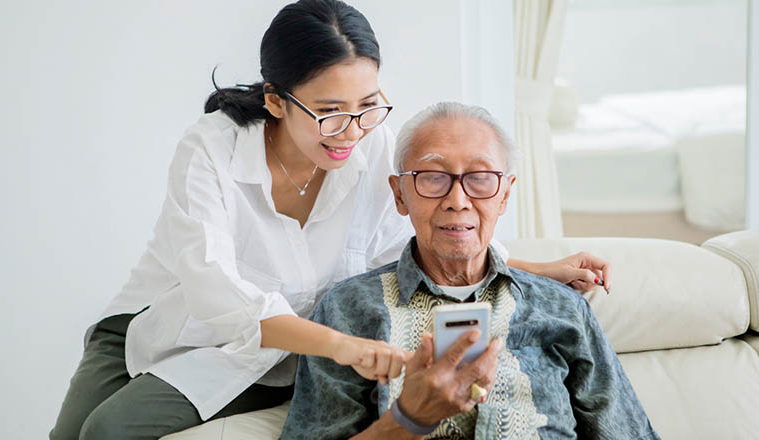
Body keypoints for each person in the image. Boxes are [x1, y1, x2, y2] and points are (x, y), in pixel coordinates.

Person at [50, 1, 612, 439]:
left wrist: (539, 268)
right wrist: (342, 347)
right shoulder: (211, 150)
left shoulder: (373, 145)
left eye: (367, 104)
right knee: (69, 432)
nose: (352, 130)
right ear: (276, 100)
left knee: (107, 430)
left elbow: (409, 240)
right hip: (165, 316)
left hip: (273, 345)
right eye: (328, 112)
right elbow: (215, 294)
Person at [281, 102, 658, 439]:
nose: (457, 201)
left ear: (505, 195)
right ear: (399, 195)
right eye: (432, 177)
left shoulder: (562, 308)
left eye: (480, 178)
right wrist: (407, 420)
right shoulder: (346, 310)